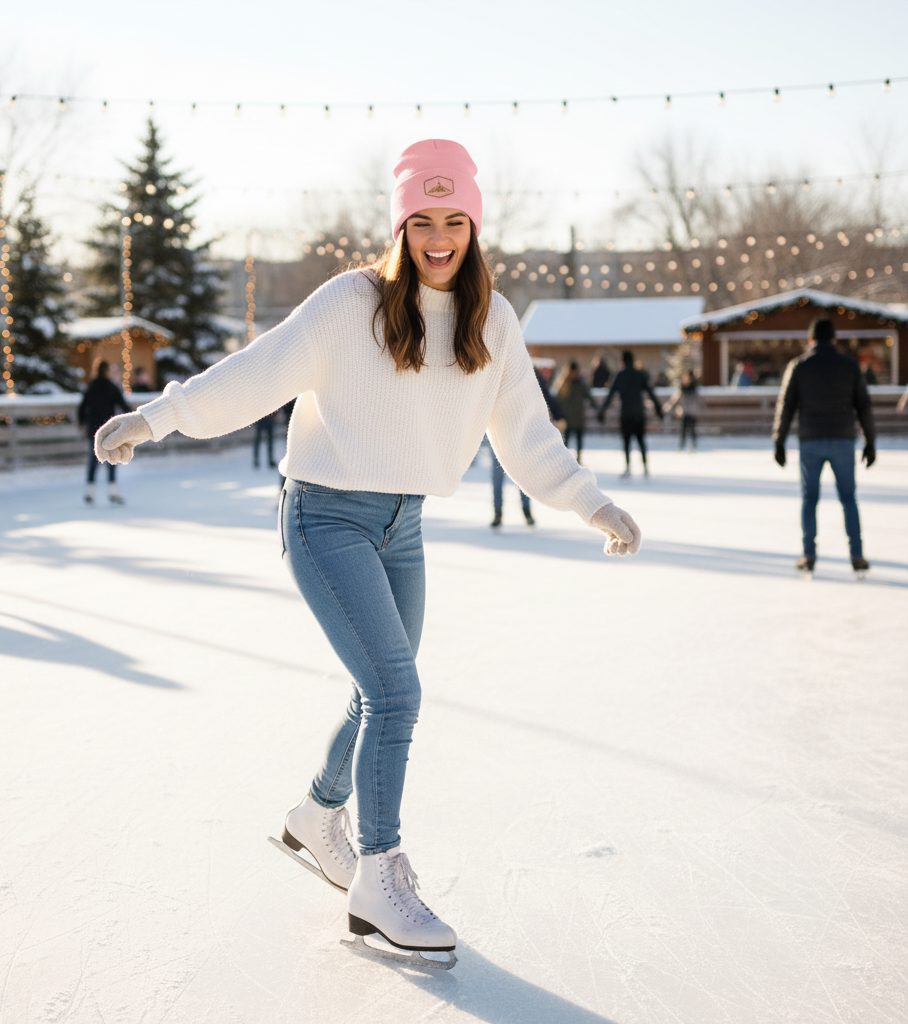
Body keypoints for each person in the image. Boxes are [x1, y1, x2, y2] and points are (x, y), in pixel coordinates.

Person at [91, 139, 641, 969]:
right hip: (323, 517)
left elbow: (528, 437)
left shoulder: (492, 320)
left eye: (455, 220)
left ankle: (319, 814)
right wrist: (155, 417)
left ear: (475, 227)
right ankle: (379, 879)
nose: (440, 237)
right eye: (423, 220)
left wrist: (592, 502)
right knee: (397, 692)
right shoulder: (353, 303)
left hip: (403, 524)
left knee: (375, 691)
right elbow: (256, 372)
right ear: (402, 226)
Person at [773, 317, 876, 575]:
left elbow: (786, 405)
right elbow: (863, 405)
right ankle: (857, 554)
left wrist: (779, 441)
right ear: (834, 339)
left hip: (811, 440)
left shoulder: (799, 366)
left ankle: (808, 554)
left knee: (809, 499)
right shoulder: (850, 366)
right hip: (842, 439)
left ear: (810, 340)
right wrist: (870, 442)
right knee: (848, 498)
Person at [491, 365, 565, 527]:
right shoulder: (497, 373)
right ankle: (499, 512)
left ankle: (524, 510)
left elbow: (545, 396)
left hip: (519, 433)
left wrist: (559, 415)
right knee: (503, 475)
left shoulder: (530, 373)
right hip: (500, 432)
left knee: (521, 475)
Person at [597, 350, 663, 478]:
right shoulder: (640, 375)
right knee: (641, 440)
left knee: (627, 442)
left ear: (622, 361)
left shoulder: (620, 376)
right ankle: (645, 467)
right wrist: (658, 409)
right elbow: (650, 392)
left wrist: (602, 411)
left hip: (626, 414)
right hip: (638, 414)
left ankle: (627, 467)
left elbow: (610, 395)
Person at [78, 361, 129, 504]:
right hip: (108, 428)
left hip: (93, 429)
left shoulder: (91, 386)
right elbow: (123, 405)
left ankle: (90, 490)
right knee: (112, 458)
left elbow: (82, 407)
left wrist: (82, 422)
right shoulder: (111, 387)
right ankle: (112, 489)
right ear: (106, 371)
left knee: (93, 459)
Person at [555, 360, 596, 464]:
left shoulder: (581, 383)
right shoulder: (563, 384)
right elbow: (557, 400)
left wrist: (597, 408)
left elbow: (589, 397)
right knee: (566, 441)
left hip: (578, 418)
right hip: (567, 418)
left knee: (579, 440)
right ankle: (565, 461)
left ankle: (579, 459)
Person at [662, 369, 701, 451]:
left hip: (692, 412)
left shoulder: (693, 389)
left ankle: (693, 446)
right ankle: (682, 446)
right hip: (684, 412)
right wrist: (668, 406)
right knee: (683, 430)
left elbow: (697, 400)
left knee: (692, 430)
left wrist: (696, 409)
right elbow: (675, 399)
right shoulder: (681, 389)